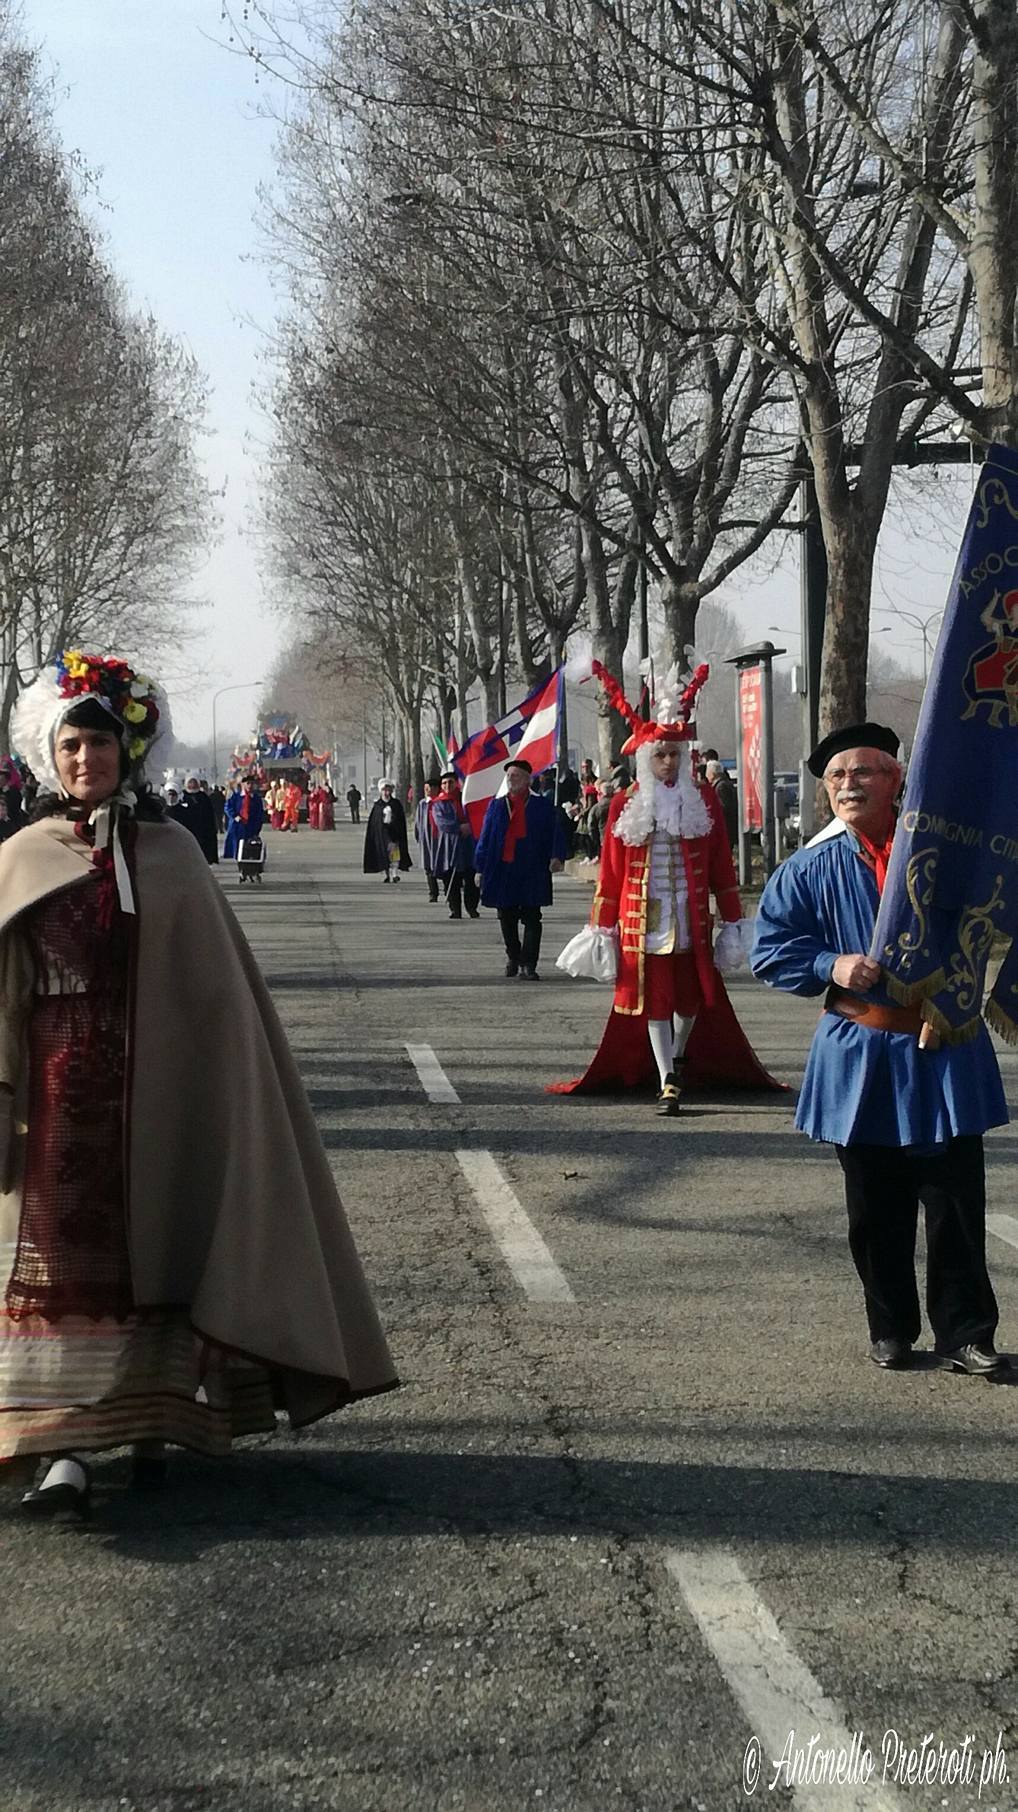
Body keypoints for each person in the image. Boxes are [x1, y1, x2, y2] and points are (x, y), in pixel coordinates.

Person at [0, 649, 397, 1522]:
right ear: (49, 755)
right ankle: (63, 1447)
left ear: (129, 752)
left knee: (167, 1249)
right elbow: (7, 993)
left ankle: (153, 1424)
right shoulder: (22, 857)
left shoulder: (173, 853)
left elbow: (218, 1000)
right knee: (63, 1267)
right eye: (71, 746)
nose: (87, 759)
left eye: (102, 744)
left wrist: (213, 1093)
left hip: (165, 1096)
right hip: (59, 1103)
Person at [751, 722, 1008, 1376]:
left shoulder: (949, 860)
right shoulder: (807, 868)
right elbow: (771, 951)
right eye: (837, 777)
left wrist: (955, 999)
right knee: (875, 1207)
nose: (848, 785)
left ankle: (966, 1333)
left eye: (863, 772)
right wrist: (830, 964)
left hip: (944, 1049)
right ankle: (890, 1328)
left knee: (954, 1205)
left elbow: (989, 925)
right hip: (860, 1055)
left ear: (896, 780)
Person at [553, 662, 775, 1113]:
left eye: (674, 754)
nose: (669, 762)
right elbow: (611, 875)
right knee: (655, 1000)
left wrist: (735, 920)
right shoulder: (625, 804)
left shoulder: (703, 799)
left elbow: (721, 865)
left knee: (690, 1000)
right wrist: (602, 927)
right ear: (646, 758)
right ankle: (667, 1077)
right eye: (660, 755)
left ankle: (677, 1052)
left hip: (691, 918)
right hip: (645, 921)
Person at [474, 759, 566, 978]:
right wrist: (480, 867)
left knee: (532, 916)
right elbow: (486, 837)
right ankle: (514, 956)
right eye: (509, 776)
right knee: (506, 916)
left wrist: (557, 855)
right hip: (503, 868)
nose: (511, 779)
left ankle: (529, 964)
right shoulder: (497, 806)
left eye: (515, 776)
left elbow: (555, 833)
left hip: (532, 868)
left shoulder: (542, 806)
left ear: (527, 780)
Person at [438, 769, 480, 920]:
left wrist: (470, 826)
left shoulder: (466, 799)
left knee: (470, 878)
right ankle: (455, 909)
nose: (447, 786)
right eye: (444, 783)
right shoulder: (439, 803)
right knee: (451, 879)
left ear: (457, 784)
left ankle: (472, 907)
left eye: (450, 782)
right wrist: (459, 828)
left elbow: (476, 815)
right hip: (449, 845)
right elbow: (442, 822)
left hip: (468, 845)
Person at [364, 779, 411, 883]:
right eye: (384, 790)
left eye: (388, 790)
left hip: (394, 833)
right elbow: (374, 822)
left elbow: (400, 819)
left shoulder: (396, 804)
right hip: (381, 834)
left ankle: (394, 874)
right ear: (381, 791)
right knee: (383, 854)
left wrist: (395, 823)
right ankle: (386, 874)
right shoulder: (378, 805)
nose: (386, 793)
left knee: (394, 854)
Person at [177, 773, 219, 865]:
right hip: (187, 827)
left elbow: (209, 814)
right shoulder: (182, 796)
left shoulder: (203, 797)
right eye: (190, 782)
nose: (192, 785)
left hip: (202, 829)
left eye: (194, 783)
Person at [414, 780, 444, 902]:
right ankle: (433, 893)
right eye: (425, 789)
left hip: (439, 839)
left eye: (429, 788)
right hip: (427, 838)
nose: (427, 791)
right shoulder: (423, 804)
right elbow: (418, 822)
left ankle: (448, 890)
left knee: (442, 865)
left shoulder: (442, 802)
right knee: (428, 867)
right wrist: (419, 837)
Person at [223, 773, 265, 861]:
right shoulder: (236, 796)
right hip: (237, 826)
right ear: (243, 784)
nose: (250, 786)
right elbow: (228, 807)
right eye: (247, 783)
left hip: (250, 826)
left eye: (252, 783)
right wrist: (234, 816)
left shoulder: (256, 799)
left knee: (248, 849)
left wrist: (257, 828)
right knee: (236, 847)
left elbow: (259, 814)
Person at [704, 759, 738, 852]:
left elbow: (724, 807)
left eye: (707, 773)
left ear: (713, 773)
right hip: (728, 827)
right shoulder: (724, 783)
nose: (706, 776)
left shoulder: (721, 787)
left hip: (726, 828)